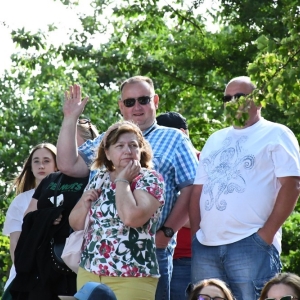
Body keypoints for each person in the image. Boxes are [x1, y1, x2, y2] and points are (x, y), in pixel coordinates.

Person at [56, 77, 198, 300]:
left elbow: (192, 188)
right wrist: (70, 118)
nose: (137, 107)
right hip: (94, 262)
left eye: (143, 99)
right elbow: (67, 164)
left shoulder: (174, 139)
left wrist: (168, 232)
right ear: (121, 106)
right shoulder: (105, 139)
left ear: (156, 101)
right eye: (130, 102)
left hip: (145, 254)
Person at [189, 76, 300, 299]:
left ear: (258, 100)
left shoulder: (277, 133)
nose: (232, 102)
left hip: (252, 244)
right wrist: (197, 235)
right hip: (206, 247)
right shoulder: (214, 139)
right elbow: (198, 191)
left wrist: (265, 236)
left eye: (239, 97)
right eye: (227, 98)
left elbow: (293, 184)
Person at [69, 120, 165, 300]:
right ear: (107, 153)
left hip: (132, 276)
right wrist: (84, 202)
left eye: (133, 145)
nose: (127, 151)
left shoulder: (150, 179)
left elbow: (132, 218)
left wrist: (122, 181)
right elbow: (75, 224)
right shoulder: (99, 177)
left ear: (141, 150)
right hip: (89, 273)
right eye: (119, 146)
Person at [9, 121, 98, 300]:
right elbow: (28, 217)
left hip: (81, 265)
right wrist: (49, 217)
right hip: (45, 268)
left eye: (70, 139)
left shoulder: (97, 176)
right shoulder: (51, 179)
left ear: (89, 145)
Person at [156, 111, 200, 300]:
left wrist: (162, 217)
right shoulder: (152, 163)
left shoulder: (202, 161)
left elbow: (201, 217)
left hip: (187, 259)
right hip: (157, 254)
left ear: (182, 134)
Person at [3, 143, 58, 291]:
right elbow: (15, 245)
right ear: (30, 166)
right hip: (24, 278)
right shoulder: (20, 201)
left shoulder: (67, 196)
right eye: (36, 161)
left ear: (56, 165)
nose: (41, 165)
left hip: (58, 276)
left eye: (46, 161)